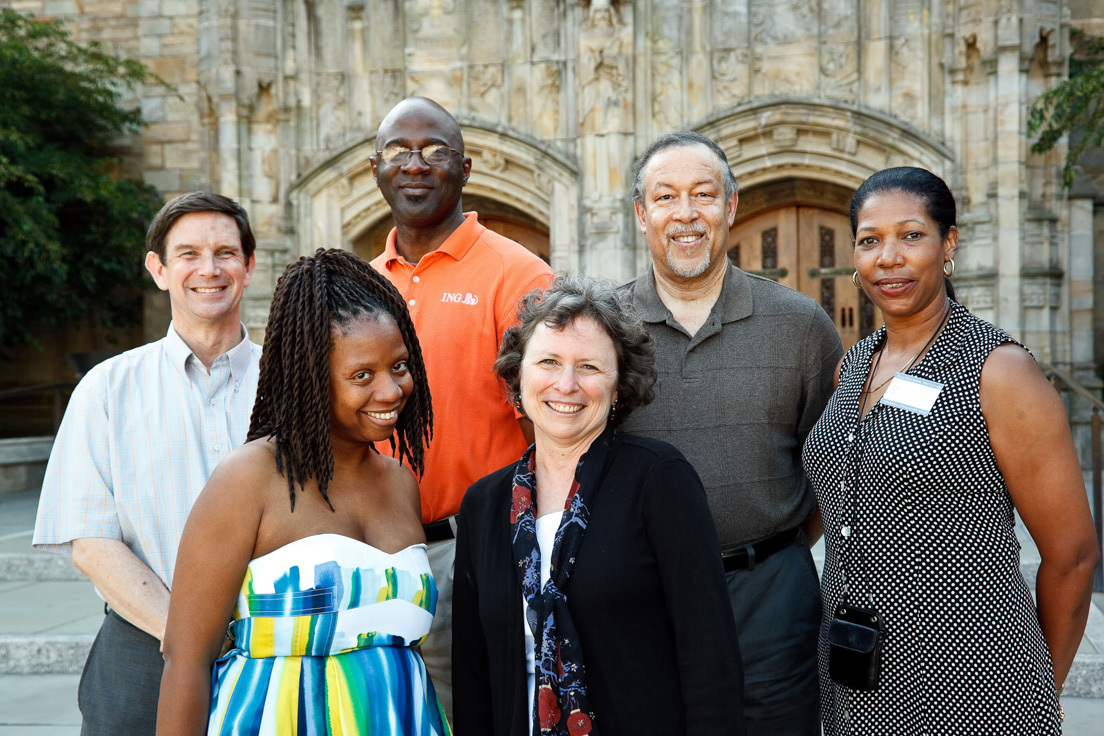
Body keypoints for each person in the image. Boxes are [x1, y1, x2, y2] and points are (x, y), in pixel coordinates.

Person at [802, 167, 1100, 734]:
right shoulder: (852, 366)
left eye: (911, 235)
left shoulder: (998, 370)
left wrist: (1039, 686)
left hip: (974, 686)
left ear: (949, 244)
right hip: (851, 678)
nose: (888, 257)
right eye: (870, 240)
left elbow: (1073, 556)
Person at [156, 249, 450, 735]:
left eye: (399, 366)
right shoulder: (248, 480)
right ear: (312, 375)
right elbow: (186, 661)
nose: (392, 390)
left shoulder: (399, 481)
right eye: (362, 375)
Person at [618, 130, 842, 735]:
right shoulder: (604, 332)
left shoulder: (801, 325)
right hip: (643, 598)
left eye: (703, 195)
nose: (685, 215)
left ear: (731, 207)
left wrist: (768, 543)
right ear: (642, 215)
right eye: (665, 198)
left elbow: (827, 465)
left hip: (769, 599)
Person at [452, 275, 745, 736]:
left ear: (618, 389)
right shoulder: (484, 505)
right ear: (518, 375)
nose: (565, 384)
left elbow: (710, 656)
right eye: (548, 361)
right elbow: (472, 674)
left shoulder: (658, 480)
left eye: (588, 367)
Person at [32, 192, 260, 734]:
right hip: (142, 646)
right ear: (158, 269)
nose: (209, 269)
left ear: (249, 267)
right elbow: (91, 543)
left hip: (282, 649)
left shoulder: (296, 381)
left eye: (226, 253)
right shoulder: (107, 389)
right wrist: (193, 639)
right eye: (188, 254)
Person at [369, 95, 554, 715]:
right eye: (399, 151)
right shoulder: (362, 282)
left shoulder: (518, 276)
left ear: (466, 169)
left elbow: (555, 424)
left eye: (435, 151)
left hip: (476, 549)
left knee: (477, 711)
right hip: (371, 554)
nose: (415, 164)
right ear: (376, 169)